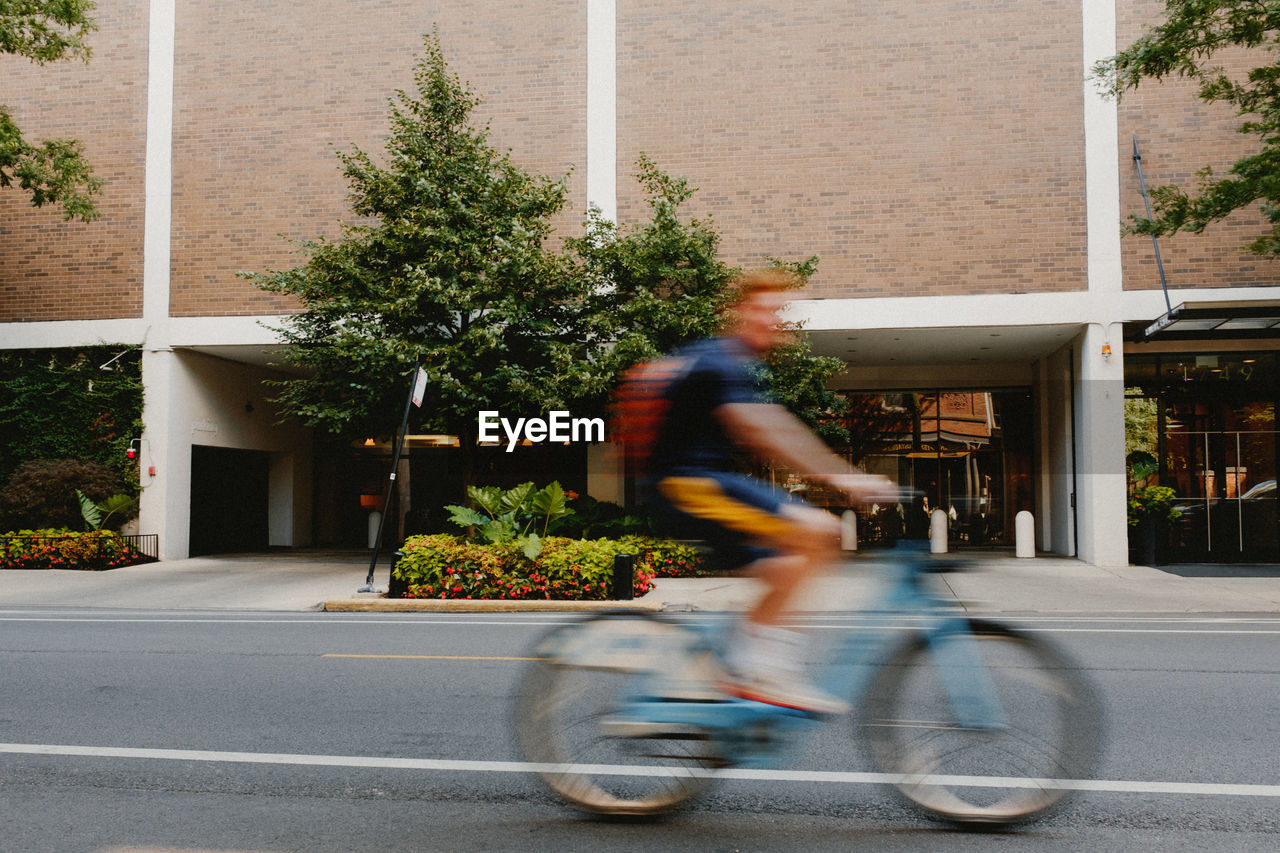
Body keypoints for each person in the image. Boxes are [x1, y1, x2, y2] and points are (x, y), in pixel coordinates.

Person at [631, 269, 894, 713]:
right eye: (762, 309)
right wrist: (842, 476)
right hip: (690, 486)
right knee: (818, 529)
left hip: (701, 485)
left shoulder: (738, 367)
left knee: (790, 564)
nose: (772, 319)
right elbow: (766, 429)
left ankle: (734, 668)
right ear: (738, 313)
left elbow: (769, 423)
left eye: (779, 312)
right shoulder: (720, 361)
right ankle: (764, 673)